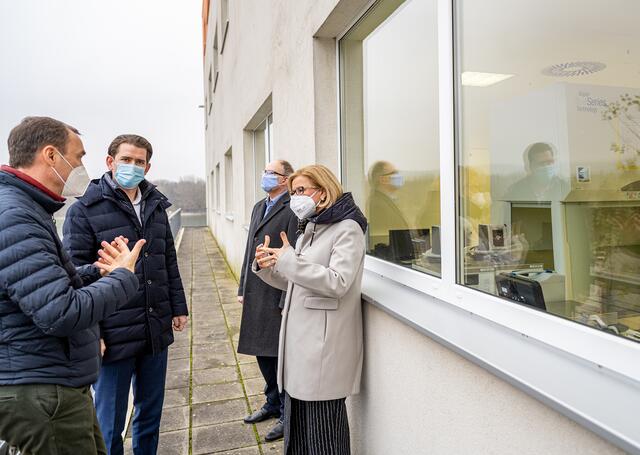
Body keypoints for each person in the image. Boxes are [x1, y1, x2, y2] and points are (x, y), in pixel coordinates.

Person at [0, 116, 145, 454]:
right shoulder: (16, 216)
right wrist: (124, 276)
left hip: (50, 379)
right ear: (51, 155)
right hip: (41, 388)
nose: (81, 165)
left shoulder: (26, 208)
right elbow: (60, 311)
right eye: (78, 156)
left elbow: (41, 286)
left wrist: (97, 272)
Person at [63, 134, 188, 455]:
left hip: (153, 326)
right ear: (110, 162)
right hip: (111, 334)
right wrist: (93, 332)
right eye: (126, 160)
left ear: (148, 166)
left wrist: (178, 306)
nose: (133, 167)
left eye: (139, 162)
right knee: (109, 422)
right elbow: (75, 276)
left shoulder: (156, 206)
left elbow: (167, 259)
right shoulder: (84, 211)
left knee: (150, 414)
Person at [253, 164, 367, 455]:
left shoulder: (348, 229)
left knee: (324, 437)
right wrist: (268, 266)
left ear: (324, 191)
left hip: (322, 349)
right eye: (292, 192)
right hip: (300, 349)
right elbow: (298, 280)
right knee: (301, 437)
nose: (295, 198)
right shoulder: (311, 229)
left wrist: (289, 260)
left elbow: (337, 281)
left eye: (301, 190)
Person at [238, 160, 298, 441]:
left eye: (271, 173)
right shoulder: (259, 207)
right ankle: (272, 402)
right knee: (261, 352)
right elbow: (251, 248)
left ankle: (287, 414)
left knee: (279, 355)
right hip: (256, 287)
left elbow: (295, 254)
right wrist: (243, 286)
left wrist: (288, 294)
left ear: (285, 179)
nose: (265, 176)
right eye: (265, 171)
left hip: (277, 290)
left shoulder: (294, 208)